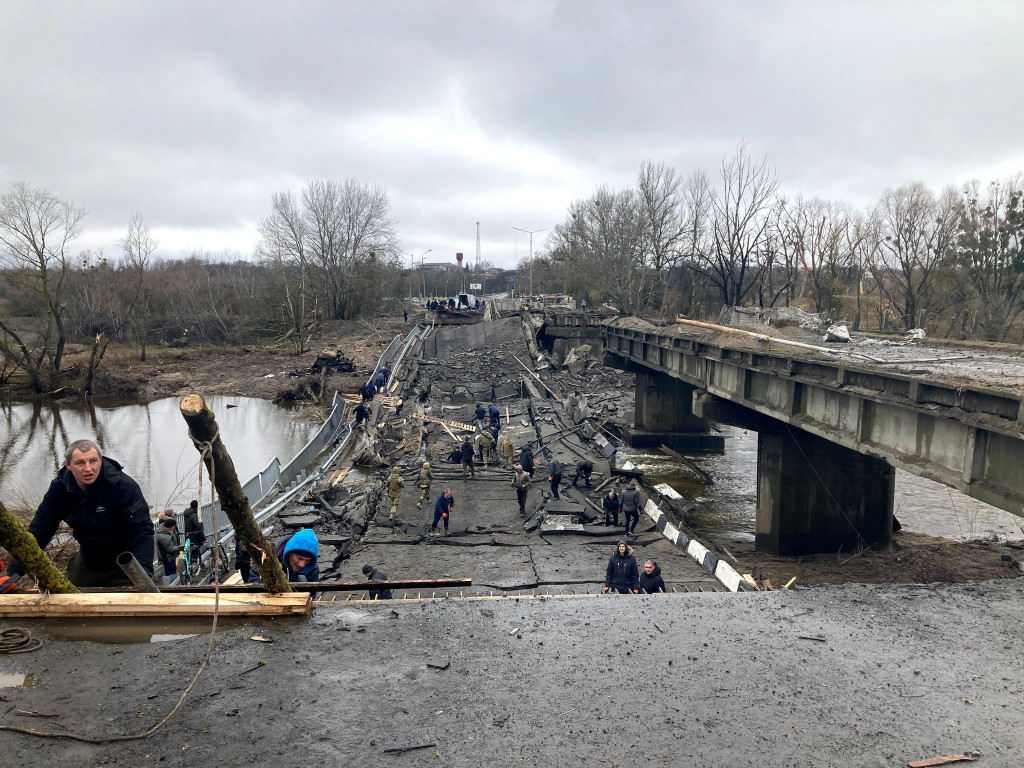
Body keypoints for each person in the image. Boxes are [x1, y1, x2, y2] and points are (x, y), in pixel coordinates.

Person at [3, 439, 153, 588]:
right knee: (70, 600)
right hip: (88, 560)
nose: (88, 469)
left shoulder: (123, 487)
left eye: (93, 461)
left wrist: (144, 571)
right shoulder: (59, 490)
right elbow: (39, 531)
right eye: (80, 463)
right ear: (68, 465)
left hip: (125, 562)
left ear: (100, 461)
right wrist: (13, 575)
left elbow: (142, 531)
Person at [248, 528, 320, 585]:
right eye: (299, 558)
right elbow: (253, 594)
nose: (302, 564)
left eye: (307, 560)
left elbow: (311, 597)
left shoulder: (312, 570)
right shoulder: (264, 564)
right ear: (289, 553)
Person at [155, 517, 181, 584]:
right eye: (174, 526)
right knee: (169, 572)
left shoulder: (165, 531)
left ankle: (172, 583)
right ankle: (169, 585)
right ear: (170, 527)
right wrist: (179, 548)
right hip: (167, 557)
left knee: (171, 571)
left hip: (169, 556)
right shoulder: (164, 537)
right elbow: (170, 549)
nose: (175, 527)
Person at [182, 499, 207, 570]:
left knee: (190, 551)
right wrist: (203, 539)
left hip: (188, 535)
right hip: (195, 536)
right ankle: (198, 565)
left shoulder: (187, 513)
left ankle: (190, 568)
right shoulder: (194, 515)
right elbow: (199, 528)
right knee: (196, 551)